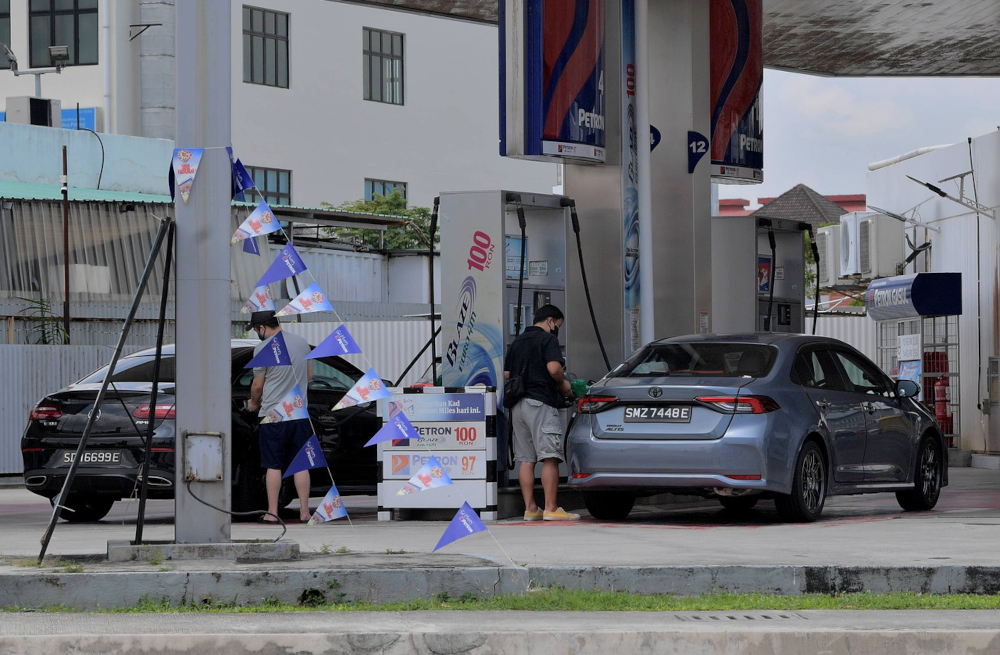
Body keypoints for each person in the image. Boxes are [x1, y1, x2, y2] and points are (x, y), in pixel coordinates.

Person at [503, 304, 580, 521]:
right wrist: (563, 383)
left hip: (518, 405)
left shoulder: (518, 341)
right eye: (558, 325)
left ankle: (530, 509)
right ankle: (551, 508)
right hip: (540, 402)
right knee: (550, 457)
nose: (557, 330)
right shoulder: (548, 339)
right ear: (549, 321)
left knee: (526, 459)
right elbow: (554, 368)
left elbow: (507, 372)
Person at [245, 310, 314, 523]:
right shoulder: (302, 343)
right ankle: (304, 512)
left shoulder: (262, 348)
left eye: (256, 330)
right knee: (301, 464)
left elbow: (257, 386)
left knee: (273, 465)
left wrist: (253, 403)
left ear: (262, 327)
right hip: (299, 414)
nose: (257, 333)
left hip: (273, 415)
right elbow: (310, 375)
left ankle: (272, 513)